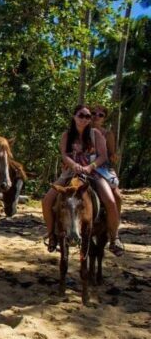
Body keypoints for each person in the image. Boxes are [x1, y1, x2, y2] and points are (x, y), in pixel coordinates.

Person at [41, 104, 124, 256]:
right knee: (47, 200)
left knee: (111, 201)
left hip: (94, 172)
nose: (85, 119)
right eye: (81, 115)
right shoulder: (67, 135)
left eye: (87, 116)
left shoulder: (96, 134)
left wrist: (90, 167)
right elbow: (64, 155)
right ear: (74, 116)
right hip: (71, 172)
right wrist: (74, 165)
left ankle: (114, 238)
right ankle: (52, 235)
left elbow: (103, 156)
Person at [91, 104, 121, 211]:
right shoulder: (80, 131)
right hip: (82, 165)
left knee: (117, 196)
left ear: (104, 118)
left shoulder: (107, 134)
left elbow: (112, 153)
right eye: (94, 113)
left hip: (103, 168)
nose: (96, 116)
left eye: (101, 115)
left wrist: (113, 157)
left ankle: (115, 219)